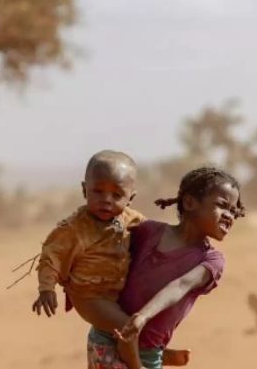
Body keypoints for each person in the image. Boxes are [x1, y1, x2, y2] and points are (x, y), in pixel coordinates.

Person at [32, 150, 187, 369]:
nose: (106, 200)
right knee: (127, 325)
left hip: (115, 293)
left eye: (116, 195)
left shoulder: (130, 219)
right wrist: (46, 288)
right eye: (98, 191)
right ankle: (137, 365)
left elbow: (156, 234)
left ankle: (154, 352)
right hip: (88, 295)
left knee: (145, 316)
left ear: (130, 198)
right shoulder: (74, 228)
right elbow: (51, 256)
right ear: (84, 189)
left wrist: (186, 233)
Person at [89, 167, 245, 369]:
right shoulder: (147, 231)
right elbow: (107, 245)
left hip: (147, 352)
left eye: (234, 211)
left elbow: (180, 285)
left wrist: (142, 317)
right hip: (108, 337)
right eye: (222, 206)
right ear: (189, 203)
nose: (229, 216)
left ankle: (160, 356)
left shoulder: (211, 260)